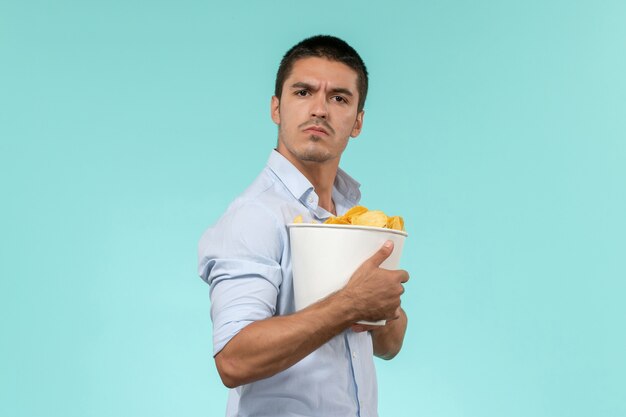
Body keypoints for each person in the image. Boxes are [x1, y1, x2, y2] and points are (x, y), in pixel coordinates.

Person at [198, 35, 409, 417]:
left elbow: (389, 345)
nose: (320, 110)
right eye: (303, 92)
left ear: (358, 120)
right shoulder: (255, 216)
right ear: (276, 108)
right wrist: (351, 303)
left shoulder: (351, 217)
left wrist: (385, 308)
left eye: (339, 98)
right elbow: (233, 360)